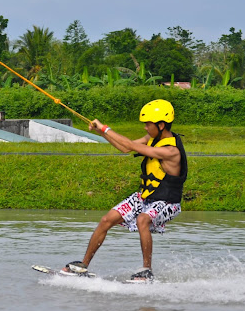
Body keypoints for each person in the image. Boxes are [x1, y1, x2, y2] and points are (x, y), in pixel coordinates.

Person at [62, 99, 188, 282]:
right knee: (107, 220)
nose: (145, 128)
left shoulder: (171, 150)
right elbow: (124, 148)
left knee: (142, 219)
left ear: (161, 125)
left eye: (148, 124)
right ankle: (83, 266)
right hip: (146, 197)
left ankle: (146, 271)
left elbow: (129, 145)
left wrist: (105, 128)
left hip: (168, 202)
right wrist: (102, 133)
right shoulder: (152, 139)